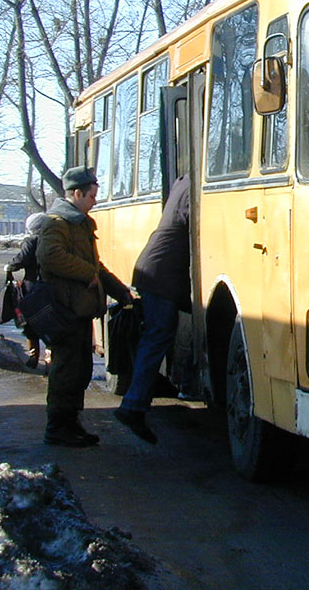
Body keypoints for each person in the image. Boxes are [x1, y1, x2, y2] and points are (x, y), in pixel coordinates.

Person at [37, 166, 132, 447]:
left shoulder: (79, 222)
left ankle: (70, 423)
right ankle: (58, 428)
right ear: (76, 193)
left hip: (78, 310)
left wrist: (120, 291)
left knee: (79, 369)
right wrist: (85, 273)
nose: (94, 201)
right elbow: (49, 256)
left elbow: (96, 267)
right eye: (91, 196)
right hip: (66, 309)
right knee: (67, 370)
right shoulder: (57, 222)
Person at [114, 175, 190, 444]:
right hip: (161, 275)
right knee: (157, 337)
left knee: (155, 337)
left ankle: (135, 401)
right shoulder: (195, 184)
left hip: (156, 270)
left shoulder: (182, 182)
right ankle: (132, 407)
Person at [5, 212, 48, 370]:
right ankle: (50, 359)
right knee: (51, 324)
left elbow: (21, 260)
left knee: (30, 322)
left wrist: (10, 266)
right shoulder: (54, 240)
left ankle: (33, 356)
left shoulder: (31, 241)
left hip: (33, 287)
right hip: (52, 286)